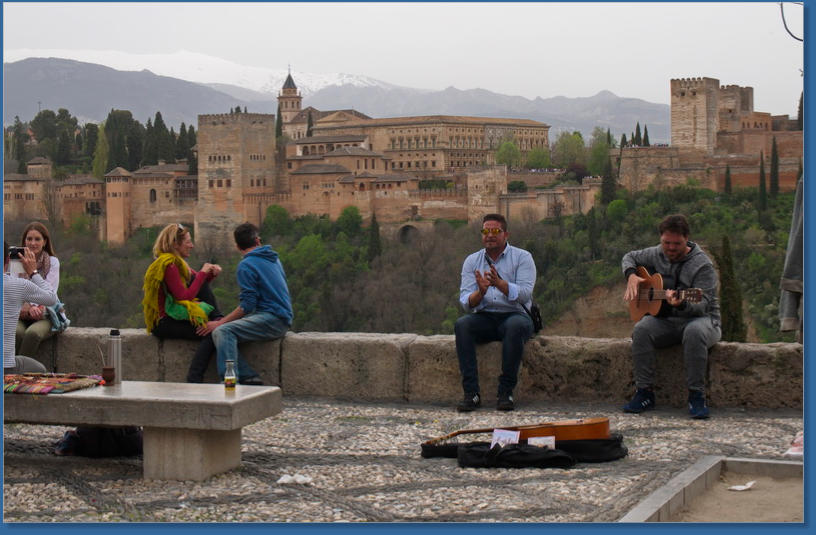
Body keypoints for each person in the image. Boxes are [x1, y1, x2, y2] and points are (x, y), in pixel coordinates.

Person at [621, 214, 721, 419]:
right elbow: (629, 257)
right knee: (641, 329)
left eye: (677, 244)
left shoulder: (702, 265)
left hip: (703, 320)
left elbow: (703, 303)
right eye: (666, 243)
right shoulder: (656, 253)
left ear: (687, 239)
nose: (671, 248)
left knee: (694, 332)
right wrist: (631, 275)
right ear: (661, 239)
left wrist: (682, 303)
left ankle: (696, 396)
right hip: (667, 320)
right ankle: (644, 393)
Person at [454, 213, 536, 412]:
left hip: (516, 315)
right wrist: (481, 293)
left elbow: (525, 294)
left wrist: (500, 284)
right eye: (485, 231)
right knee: (462, 325)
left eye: (495, 231)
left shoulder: (522, 257)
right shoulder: (472, 261)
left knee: (514, 326)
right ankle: (471, 393)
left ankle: (505, 392)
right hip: (486, 317)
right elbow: (466, 301)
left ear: (505, 234)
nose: (489, 235)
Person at [197, 222, 293, 386]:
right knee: (225, 333)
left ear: (237, 246)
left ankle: (229, 382)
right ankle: (249, 377)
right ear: (258, 240)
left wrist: (220, 323)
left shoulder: (246, 265)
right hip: (282, 316)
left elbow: (247, 305)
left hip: (273, 319)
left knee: (223, 332)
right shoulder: (273, 258)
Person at [142, 223, 224, 383]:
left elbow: (197, 285)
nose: (191, 246)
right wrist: (202, 274)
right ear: (175, 244)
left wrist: (210, 274)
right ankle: (194, 378)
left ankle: (218, 319)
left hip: (171, 318)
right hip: (163, 322)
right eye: (188, 242)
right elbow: (183, 297)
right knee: (212, 333)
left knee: (215, 329)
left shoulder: (178, 263)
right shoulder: (169, 265)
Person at [4, 241, 57, 374]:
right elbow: (51, 298)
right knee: (40, 370)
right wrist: (33, 272)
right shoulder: (18, 285)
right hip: (5, 366)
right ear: (8, 260)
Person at [15, 222, 60, 360]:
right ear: (24, 241)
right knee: (15, 332)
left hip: (46, 313)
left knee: (32, 334)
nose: (33, 243)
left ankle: (19, 371)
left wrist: (32, 272)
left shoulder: (52, 262)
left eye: (37, 239)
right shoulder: (16, 262)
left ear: (44, 242)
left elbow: (50, 292)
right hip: (21, 312)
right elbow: (14, 288)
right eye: (29, 239)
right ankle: (9, 368)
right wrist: (28, 307)